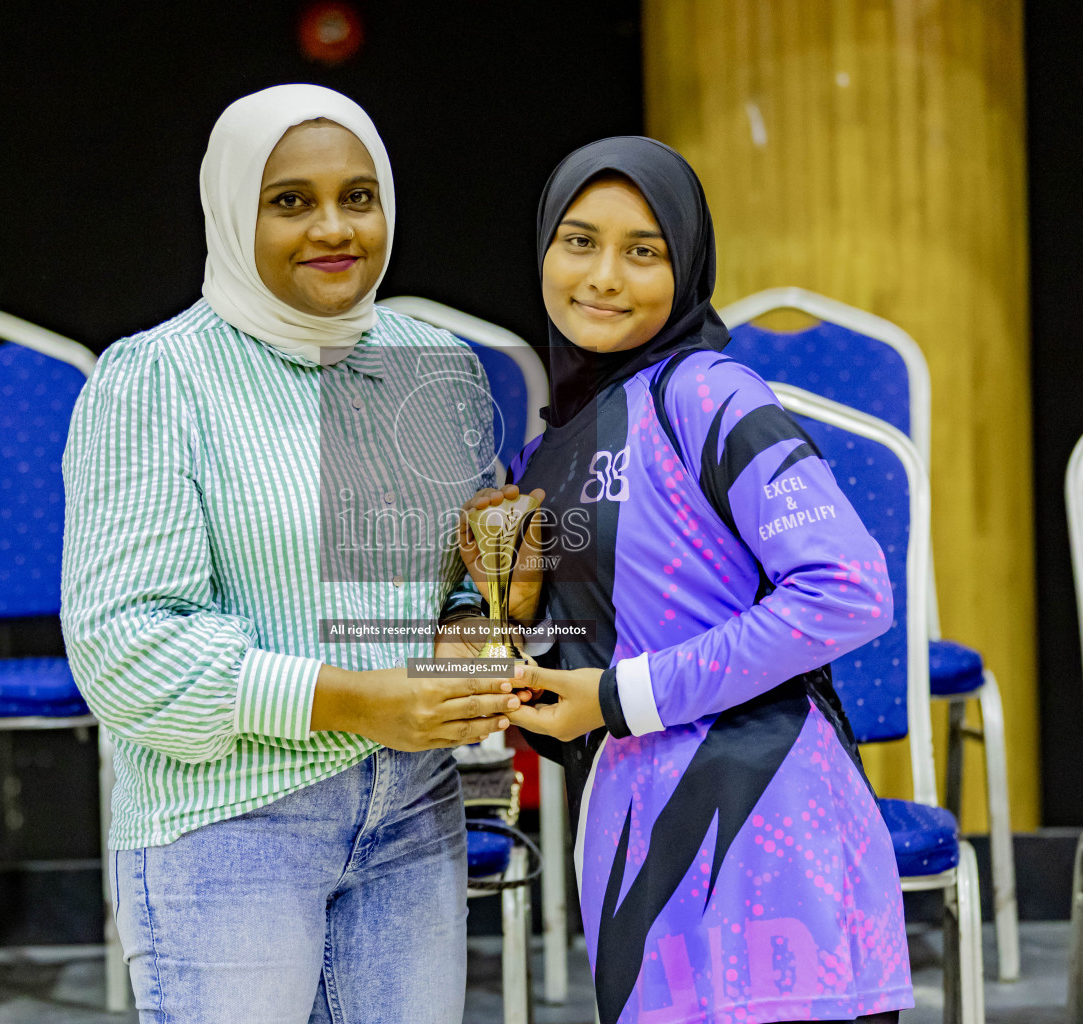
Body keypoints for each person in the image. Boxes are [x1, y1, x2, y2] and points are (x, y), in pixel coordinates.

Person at [61, 84, 515, 1024]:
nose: (332, 228)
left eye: (358, 196)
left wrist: (479, 631)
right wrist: (353, 701)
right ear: (233, 212)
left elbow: (462, 603)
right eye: (290, 202)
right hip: (228, 826)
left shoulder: (437, 367)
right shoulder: (155, 378)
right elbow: (126, 647)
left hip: (415, 814)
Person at [462, 137, 913, 1024]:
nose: (603, 276)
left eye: (644, 251)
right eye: (579, 241)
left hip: (769, 829)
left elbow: (848, 591)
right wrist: (514, 614)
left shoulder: (712, 394)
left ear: (689, 263)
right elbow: (575, 686)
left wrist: (622, 695)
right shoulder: (547, 448)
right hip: (634, 839)